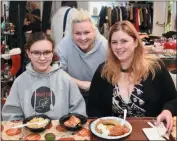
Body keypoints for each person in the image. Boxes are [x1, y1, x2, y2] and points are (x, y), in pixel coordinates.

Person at [88, 21, 177, 132]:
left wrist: (167, 111)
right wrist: (104, 130)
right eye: (114, 42)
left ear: (135, 42)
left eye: (124, 41)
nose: (118, 47)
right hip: (113, 136)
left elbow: (173, 100)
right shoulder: (103, 72)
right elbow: (92, 108)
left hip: (150, 133)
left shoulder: (155, 68)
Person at [2, 32, 86, 121]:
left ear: (52, 53)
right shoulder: (20, 82)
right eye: (36, 53)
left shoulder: (66, 79)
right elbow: (11, 117)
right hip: (29, 133)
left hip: (61, 133)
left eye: (47, 52)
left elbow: (78, 113)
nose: (42, 58)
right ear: (28, 53)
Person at [56, 9, 107, 107]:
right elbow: (56, 72)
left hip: (99, 95)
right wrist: (81, 84)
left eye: (87, 32)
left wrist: (94, 86)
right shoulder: (64, 45)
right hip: (71, 95)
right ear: (72, 33)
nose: (83, 38)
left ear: (94, 31)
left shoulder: (105, 47)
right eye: (78, 33)